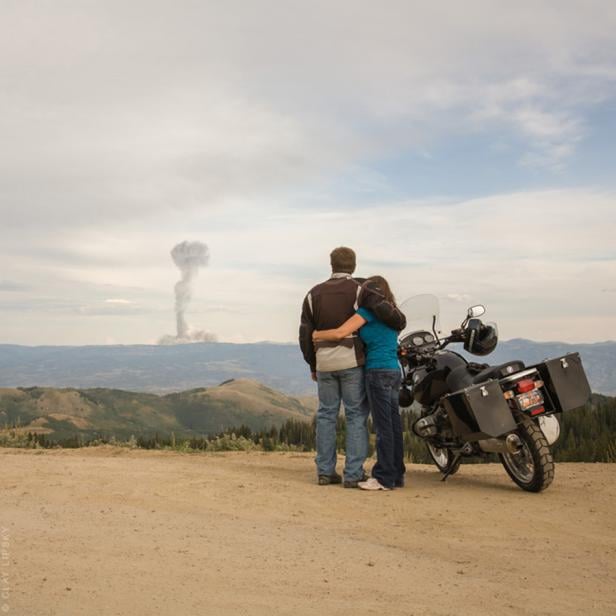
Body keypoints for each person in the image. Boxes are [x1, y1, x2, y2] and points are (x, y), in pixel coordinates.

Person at [299, 248, 406, 488]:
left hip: (325, 361)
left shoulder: (312, 293)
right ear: (354, 266)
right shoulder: (361, 291)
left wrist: (312, 363)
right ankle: (353, 473)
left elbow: (305, 332)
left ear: (331, 264)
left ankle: (325, 472)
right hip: (352, 361)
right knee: (356, 415)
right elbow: (388, 314)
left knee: (326, 414)